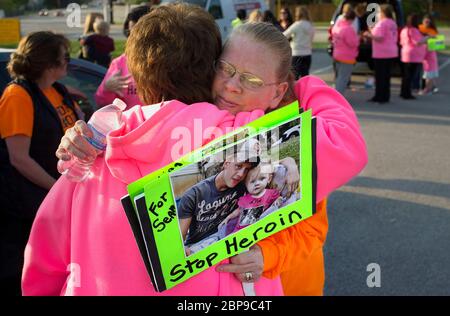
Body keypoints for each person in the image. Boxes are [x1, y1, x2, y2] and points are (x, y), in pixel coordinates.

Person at [32, 20, 367, 296]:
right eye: (226, 69)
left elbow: (312, 231)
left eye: (250, 79)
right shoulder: (208, 129)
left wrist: (268, 255)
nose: (233, 86)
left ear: (279, 90)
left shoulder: (282, 141)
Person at [0, 31, 82, 296]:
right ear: (49, 63)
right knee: (21, 269)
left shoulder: (56, 90)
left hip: (54, 200)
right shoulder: (17, 96)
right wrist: (57, 188)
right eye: (65, 57)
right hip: (26, 206)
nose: (69, 61)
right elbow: (19, 158)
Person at [95, 5, 152, 108]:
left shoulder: (169, 60)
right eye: (130, 32)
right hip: (131, 123)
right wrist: (106, 89)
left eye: (139, 33)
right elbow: (102, 102)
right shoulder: (119, 63)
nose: (133, 38)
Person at [219, 162, 281, 235]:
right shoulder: (244, 199)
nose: (257, 183)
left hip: (257, 230)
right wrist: (228, 217)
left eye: (261, 179)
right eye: (252, 182)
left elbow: (280, 199)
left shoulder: (271, 193)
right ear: (245, 185)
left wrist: (278, 199)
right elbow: (238, 210)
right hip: (239, 231)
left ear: (269, 179)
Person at [363, 4, 398, 104]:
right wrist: (372, 31)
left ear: (383, 13)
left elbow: (379, 37)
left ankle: (379, 96)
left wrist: (369, 35)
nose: (377, 14)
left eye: (378, 12)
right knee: (386, 76)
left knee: (380, 76)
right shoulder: (392, 23)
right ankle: (385, 96)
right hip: (391, 51)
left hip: (381, 53)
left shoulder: (382, 23)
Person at [399, 14, 429, 100]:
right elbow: (418, 42)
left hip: (405, 53)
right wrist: (427, 37)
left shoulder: (404, 30)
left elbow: (401, 42)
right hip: (414, 55)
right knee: (410, 75)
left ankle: (403, 92)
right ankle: (407, 93)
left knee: (405, 75)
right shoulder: (414, 30)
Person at [332, 8, 360, 95]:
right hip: (347, 56)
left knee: (339, 77)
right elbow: (353, 43)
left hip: (337, 54)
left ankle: (335, 94)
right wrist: (358, 38)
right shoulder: (348, 29)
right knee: (343, 78)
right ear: (352, 19)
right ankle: (337, 97)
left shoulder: (337, 27)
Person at [283, 6, 315, 79]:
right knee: (305, 76)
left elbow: (284, 35)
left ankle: (295, 90)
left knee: (294, 77)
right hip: (307, 53)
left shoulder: (297, 25)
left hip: (296, 53)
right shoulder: (310, 25)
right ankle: (305, 90)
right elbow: (311, 38)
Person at [419, 14, 439, 95]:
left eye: (428, 21)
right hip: (421, 54)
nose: (426, 23)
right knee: (426, 73)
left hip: (428, 55)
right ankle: (429, 87)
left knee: (428, 73)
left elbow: (436, 45)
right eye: (425, 21)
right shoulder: (419, 28)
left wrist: (431, 39)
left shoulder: (433, 31)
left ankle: (427, 89)